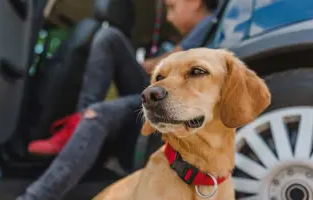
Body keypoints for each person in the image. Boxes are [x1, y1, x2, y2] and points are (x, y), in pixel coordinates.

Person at [17, 0, 219, 199]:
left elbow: (169, 65)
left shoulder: (210, 24)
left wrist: (144, 64)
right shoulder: (199, 35)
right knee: (108, 37)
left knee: (99, 113)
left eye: (171, 7)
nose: (168, 17)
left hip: (172, 102)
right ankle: (78, 120)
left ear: (194, 2)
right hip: (155, 94)